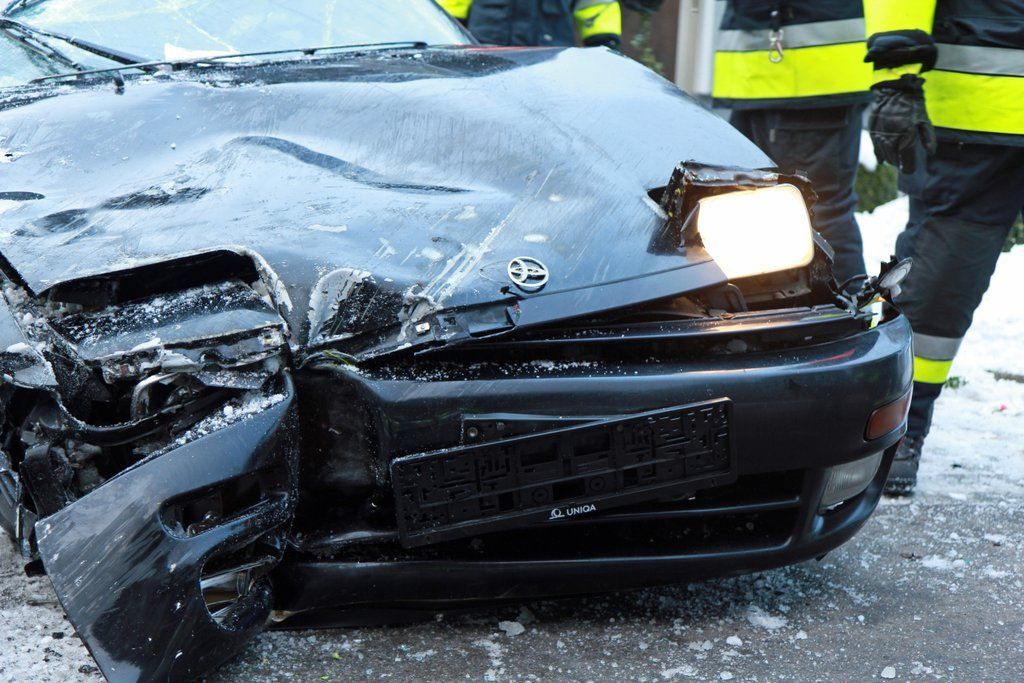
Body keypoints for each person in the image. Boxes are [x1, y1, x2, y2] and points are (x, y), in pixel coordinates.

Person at [862, 0, 1024, 494]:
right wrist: (897, 73)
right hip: (980, 109)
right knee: (940, 280)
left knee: (941, 276)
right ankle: (898, 426)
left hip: (982, 102)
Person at [712, 1, 872, 287]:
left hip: (805, 76)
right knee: (753, 212)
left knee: (811, 213)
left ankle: (838, 312)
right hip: (765, 76)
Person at [436, 0, 623, 49]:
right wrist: (443, 30)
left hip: (551, 57)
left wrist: (605, 40)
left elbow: (595, 4)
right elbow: (452, 3)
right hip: (487, 52)